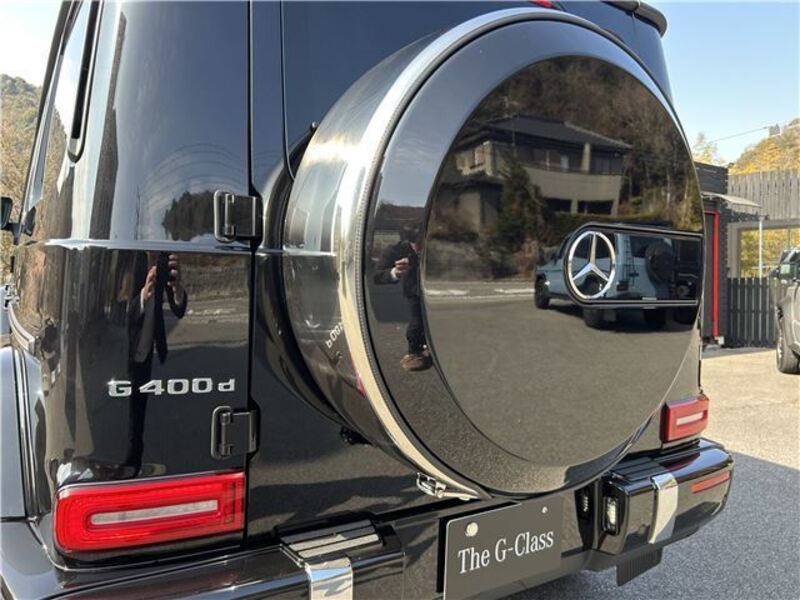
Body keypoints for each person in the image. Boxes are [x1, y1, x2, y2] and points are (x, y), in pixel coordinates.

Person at [124, 251, 187, 475]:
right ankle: (129, 467)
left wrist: (177, 288)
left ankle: (139, 463)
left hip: (150, 355)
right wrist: (144, 295)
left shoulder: (163, 260)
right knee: (127, 417)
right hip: (125, 351)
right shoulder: (132, 257)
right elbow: (120, 310)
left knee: (143, 415)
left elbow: (178, 309)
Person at [373, 224, 432, 372]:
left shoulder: (435, 246)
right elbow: (377, 275)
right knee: (417, 321)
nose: (421, 246)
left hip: (437, 288)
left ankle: (428, 346)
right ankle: (414, 352)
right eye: (417, 244)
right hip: (414, 291)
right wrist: (395, 272)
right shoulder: (396, 250)